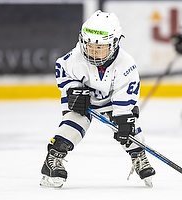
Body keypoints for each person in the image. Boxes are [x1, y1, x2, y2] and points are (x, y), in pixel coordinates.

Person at [40, 10, 155, 188]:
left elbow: (126, 94)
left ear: (115, 43)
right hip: (83, 97)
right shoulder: (75, 57)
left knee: (129, 127)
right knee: (74, 123)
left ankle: (138, 155)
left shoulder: (126, 65)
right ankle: (53, 159)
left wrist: (123, 118)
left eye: (100, 47)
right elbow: (62, 70)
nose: (93, 52)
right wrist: (74, 90)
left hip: (111, 100)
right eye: (89, 45)